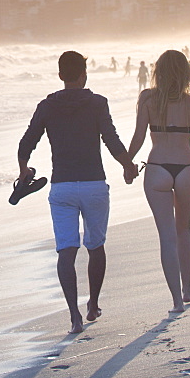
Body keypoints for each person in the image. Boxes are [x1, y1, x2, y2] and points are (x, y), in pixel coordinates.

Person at [16, 50, 139, 334]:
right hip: (94, 184)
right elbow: (111, 139)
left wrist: (24, 171)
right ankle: (93, 304)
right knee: (95, 247)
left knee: (66, 251)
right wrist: (129, 166)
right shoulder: (97, 103)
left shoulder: (47, 106)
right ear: (84, 75)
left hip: (63, 188)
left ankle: (74, 316)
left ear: (60, 75)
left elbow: (26, 143)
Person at [126, 49, 190, 314]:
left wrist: (127, 164)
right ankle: (188, 289)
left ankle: (177, 302)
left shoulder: (147, 99)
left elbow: (137, 137)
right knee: (184, 230)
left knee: (167, 237)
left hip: (157, 167)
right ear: (184, 72)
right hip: (188, 168)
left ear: (159, 71)